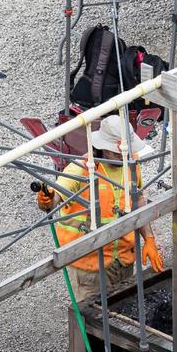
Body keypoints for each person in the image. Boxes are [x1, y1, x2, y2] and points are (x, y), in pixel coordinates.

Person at [37, 115, 163, 301]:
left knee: (121, 312)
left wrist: (149, 239)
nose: (123, 156)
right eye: (117, 152)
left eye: (125, 152)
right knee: (92, 321)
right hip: (90, 265)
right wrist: (46, 200)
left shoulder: (131, 164)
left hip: (122, 260)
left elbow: (138, 202)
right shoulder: (80, 169)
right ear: (102, 147)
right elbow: (54, 199)